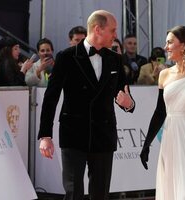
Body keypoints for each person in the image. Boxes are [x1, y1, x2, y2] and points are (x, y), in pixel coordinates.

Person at [38, 9, 135, 200]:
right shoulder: (66, 57)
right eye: (113, 30)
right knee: (73, 192)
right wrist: (45, 135)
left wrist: (129, 104)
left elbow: (125, 98)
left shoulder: (115, 59)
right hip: (73, 134)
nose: (116, 36)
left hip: (103, 135)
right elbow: (51, 97)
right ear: (98, 29)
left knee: (100, 193)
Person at [140, 25, 185, 199]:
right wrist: (147, 143)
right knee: (172, 188)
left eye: (170, 42)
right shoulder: (165, 75)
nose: (165, 47)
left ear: (183, 45)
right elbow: (160, 112)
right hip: (170, 138)